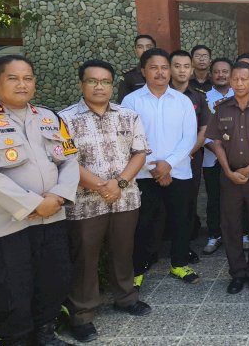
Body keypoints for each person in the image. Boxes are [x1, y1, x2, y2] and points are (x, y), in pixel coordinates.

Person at [0, 55, 79, 345]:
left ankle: (45, 332)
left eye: (28, 78)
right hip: (7, 224)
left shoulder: (51, 118)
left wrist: (59, 196)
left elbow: (71, 159)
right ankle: (18, 339)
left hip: (52, 218)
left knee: (54, 278)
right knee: (12, 288)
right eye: (13, 78)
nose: (22, 84)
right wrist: (33, 204)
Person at [60, 60, 152, 343]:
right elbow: (65, 159)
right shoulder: (63, 119)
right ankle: (82, 314)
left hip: (125, 198)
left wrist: (119, 183)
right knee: (85, 258)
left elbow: (139, 152)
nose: (99, 86)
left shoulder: (128, 115)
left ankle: (125, 298)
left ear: (113, 85)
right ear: (81, 84)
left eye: (105, 82)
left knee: (123, 251)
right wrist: (101, 187)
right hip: (85, 202)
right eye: (92, 81)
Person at [121, 48, 199, 287]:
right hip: (144, 174)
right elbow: (127, 139)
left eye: (165, 67)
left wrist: (168, 165)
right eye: (154, 67)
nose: (160, 72)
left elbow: (189, 137)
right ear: (143, 70)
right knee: (144, 222)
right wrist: (153, 167)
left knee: (180, 220)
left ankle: (179, 264)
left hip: (179, 172)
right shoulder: (131, 101)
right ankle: (139, 268)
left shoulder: (183, 101)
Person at [206, 61, 249, 294]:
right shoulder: (221, 108)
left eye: (244, 79)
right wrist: (227, 171)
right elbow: (215, 141)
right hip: (229, 175)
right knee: (231, 225)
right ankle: (237, 272)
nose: (239, 83)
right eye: (235, 79)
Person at [170, 50, 209, 263]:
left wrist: (187, 153)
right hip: (160, 162)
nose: (182, 70)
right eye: (177, 66)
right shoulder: (160, 96)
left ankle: (183, 249)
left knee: (187, 204)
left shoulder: (198, 97)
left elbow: (204, 130)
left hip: (190, 159)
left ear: (191, 70)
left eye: (186, 67)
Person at [201, 58, 235, 255]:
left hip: (237, 157)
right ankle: (214, 235)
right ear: (211, 75)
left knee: (240, 198)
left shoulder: (240, 94)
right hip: (211, 157)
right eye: (217, 72)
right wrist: (217, 150)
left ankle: (242, 233)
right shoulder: (203, 97)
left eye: (225, 71)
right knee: (214, 198)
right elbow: (202, 130)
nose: (221, 75)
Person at [117, 34, 155, 103]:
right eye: (140, 47)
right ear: (135, 50)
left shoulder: (164, 73)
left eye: (148, 47)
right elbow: (123, 103)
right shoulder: (129, 76)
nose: (145, 50)